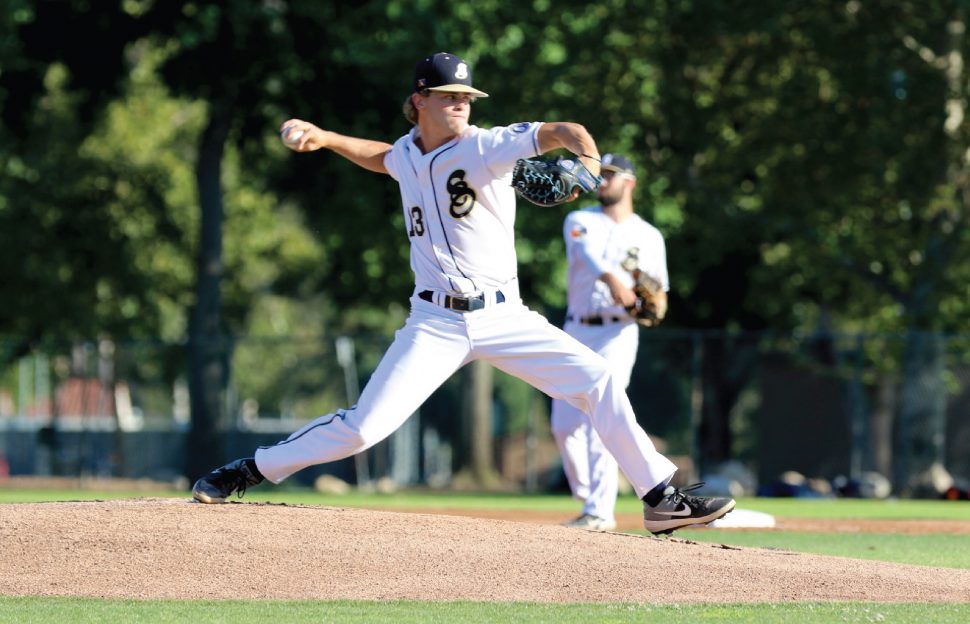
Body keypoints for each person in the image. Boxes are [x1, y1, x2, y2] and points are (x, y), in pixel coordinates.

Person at [191, 52, 735, 535]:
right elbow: (381, 157)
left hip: (506, 317)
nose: (461, 105)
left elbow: (565, 129)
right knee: (363, 429)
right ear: (419, 101)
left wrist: (589, 164)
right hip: (434, 324)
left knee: (597, 380)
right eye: (450, 97)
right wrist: (329, 139)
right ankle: (249, 469)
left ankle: (661, 498)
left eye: (466, 98)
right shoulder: (408, 154)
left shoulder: (486, 146)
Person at [551, 154, 667, 531]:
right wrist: (612, 278)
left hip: (618, 333)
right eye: (600, 175)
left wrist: (654, 305)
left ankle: (600, 511)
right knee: (565, 424)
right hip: (578, 328)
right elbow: (585, 256)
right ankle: (589, 499)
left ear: (630, 182)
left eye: (611, 176)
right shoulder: (580, 220)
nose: (602, 181)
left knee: (601, 414)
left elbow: (659, 292)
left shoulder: (649, 236)